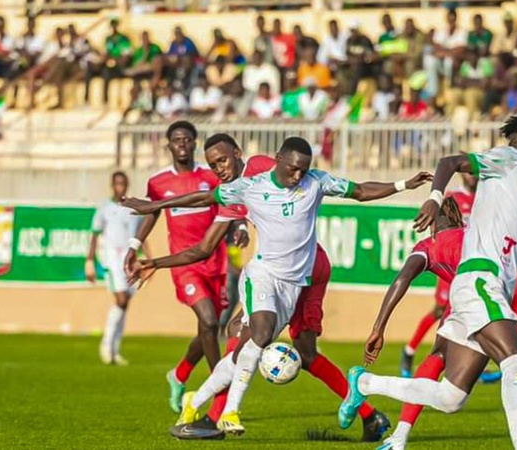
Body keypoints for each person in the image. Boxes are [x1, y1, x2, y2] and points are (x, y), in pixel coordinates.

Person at [123, 136, 433, 438]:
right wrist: (156, 232)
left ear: (239, 153)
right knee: (241, 332)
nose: (219, 169)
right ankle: (217, 413)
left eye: (223, 160)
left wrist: (403, 184)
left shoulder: (271, 169)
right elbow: (206, 242)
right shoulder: (241, 191)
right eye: (213, 165)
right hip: (269, 272)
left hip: (309, 271)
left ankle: (216, 414)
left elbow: (357, 190)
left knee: (299, 351)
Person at [339, 108, 517, 450]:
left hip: (486, 285)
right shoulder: (509, 159)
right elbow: (450, 162)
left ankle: (364, 383)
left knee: (451, 396)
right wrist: (434, 198)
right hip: (482, 282)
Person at [372, 195, 517, 450]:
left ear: (431, 223)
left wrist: (378, 327)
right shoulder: (477, 233)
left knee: (440, 357)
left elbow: (403, 278)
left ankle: (399, 436)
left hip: (480, 289)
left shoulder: (428, 245)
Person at [122, 121, 244, 414]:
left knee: (207, 328)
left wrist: (240, 228)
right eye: (176, 140)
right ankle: (221, 392)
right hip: (184, 264)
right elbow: (152, 213)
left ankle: (179, 374)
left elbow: (232, 205)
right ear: (169, 145)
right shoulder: (158, 182)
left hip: (216, 261)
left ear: (194, 143)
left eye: (187, 139)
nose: (182, 144)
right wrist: (133, 244)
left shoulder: (210, 174)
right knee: (211, 321)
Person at [400, 172, 478, 378]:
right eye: (469, 173)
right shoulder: (452, 198)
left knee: (470, 309)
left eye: (476, 173)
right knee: (441, 309)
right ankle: (410, 350)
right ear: (462, 174)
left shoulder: (485, 198)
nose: (473, 177)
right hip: (453, 262)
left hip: (474, 263)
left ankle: (471, 364)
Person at [86, 171, 147, 365]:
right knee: (121, 299)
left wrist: (147, 259)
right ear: (112, 185)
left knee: (125, 302)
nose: (120, 187)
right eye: (117, 184)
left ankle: (114, 349)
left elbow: (141, 236)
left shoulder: (132, 209)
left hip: (129, 259)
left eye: (123, 183)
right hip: (112, 259)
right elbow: (95, 235)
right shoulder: (104, 208)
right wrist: (89, 261)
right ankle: (106, 345)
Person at [84, 18, 132, 106]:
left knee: (106, 72)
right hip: (106, 63)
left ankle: (105, 100)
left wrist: (113, 59)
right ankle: (86, 99)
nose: (113, 28)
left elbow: (126, 56)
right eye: (112, 26)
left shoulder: (124, 39)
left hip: (118, 65)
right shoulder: (108, 39)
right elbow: (104, 53)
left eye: (115, 26)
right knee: (90, 70)